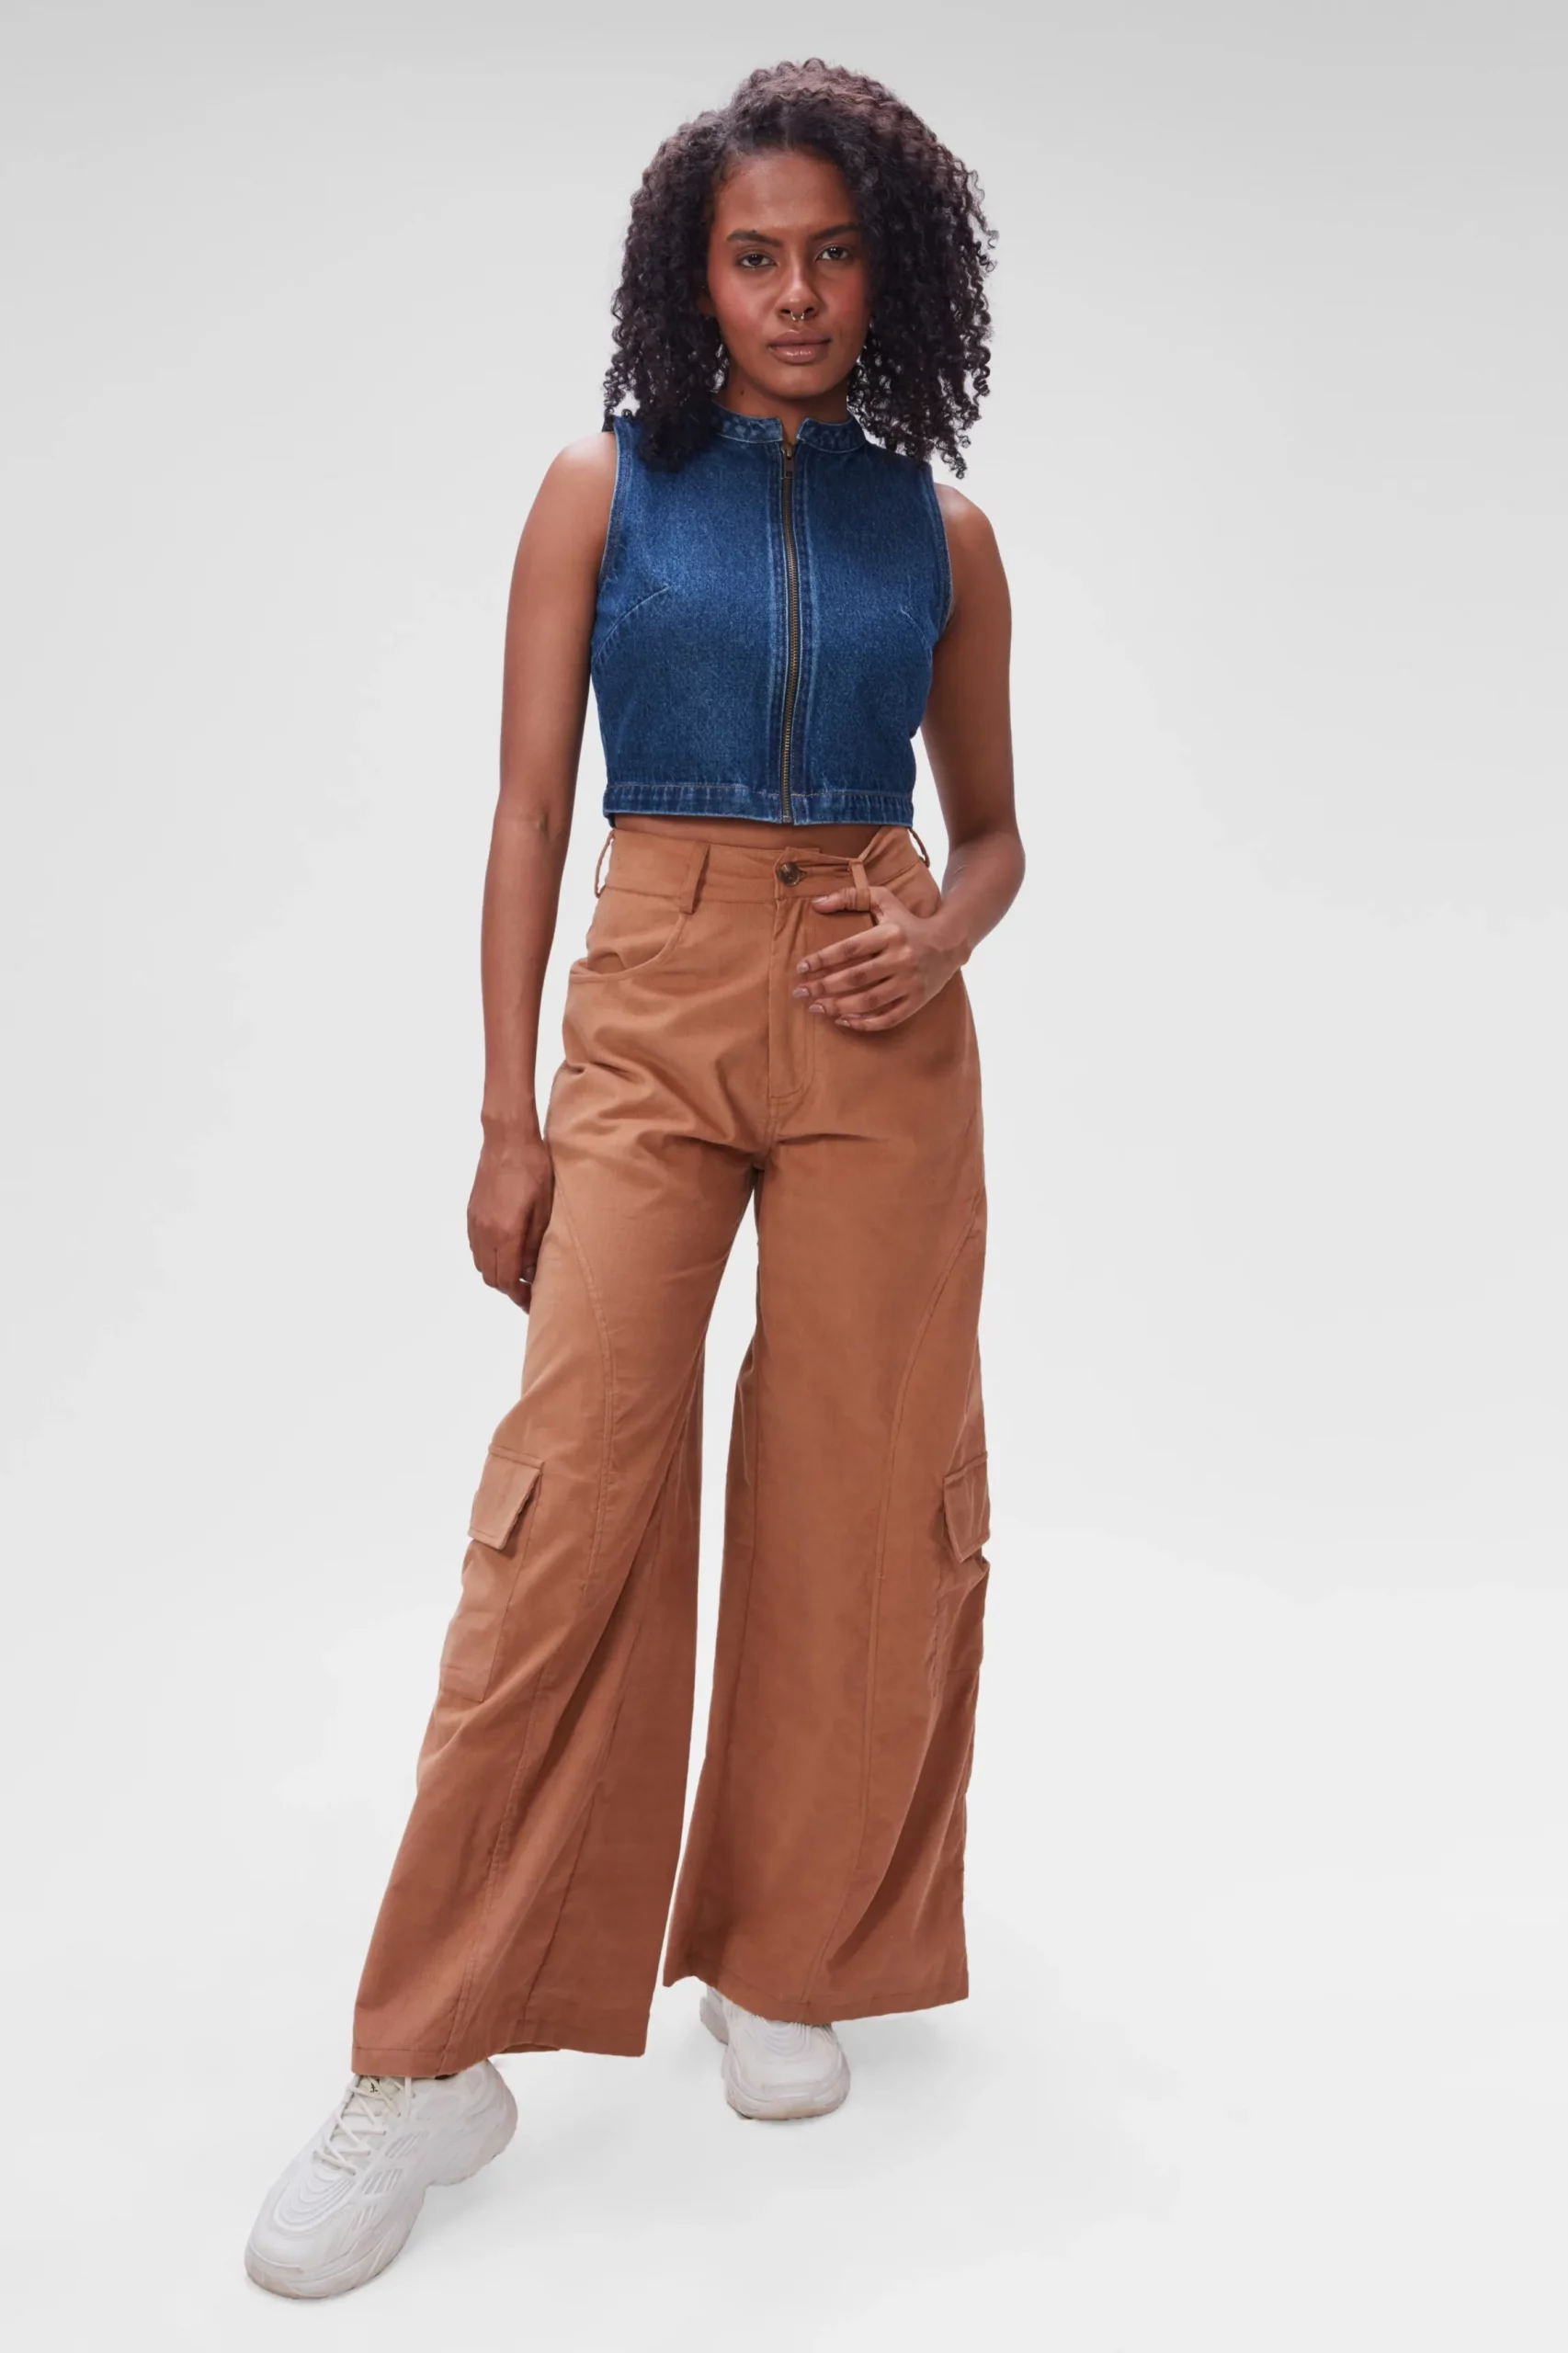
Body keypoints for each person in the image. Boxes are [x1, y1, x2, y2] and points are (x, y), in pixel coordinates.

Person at [244, 56, 1022, 2301]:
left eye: (833, 253)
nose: (795, 294)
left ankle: (786, 1947)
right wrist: (508, 1117)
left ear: (891, 273)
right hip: (653, 993)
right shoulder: (599, 489)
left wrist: (940, 933)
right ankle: (429, 2053)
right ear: (692, 279)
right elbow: (520, 813)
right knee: (569, 1494)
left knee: (863, 1483)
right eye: (752, 256)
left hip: (879, 1000)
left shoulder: (943, 530)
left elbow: (995, 834)